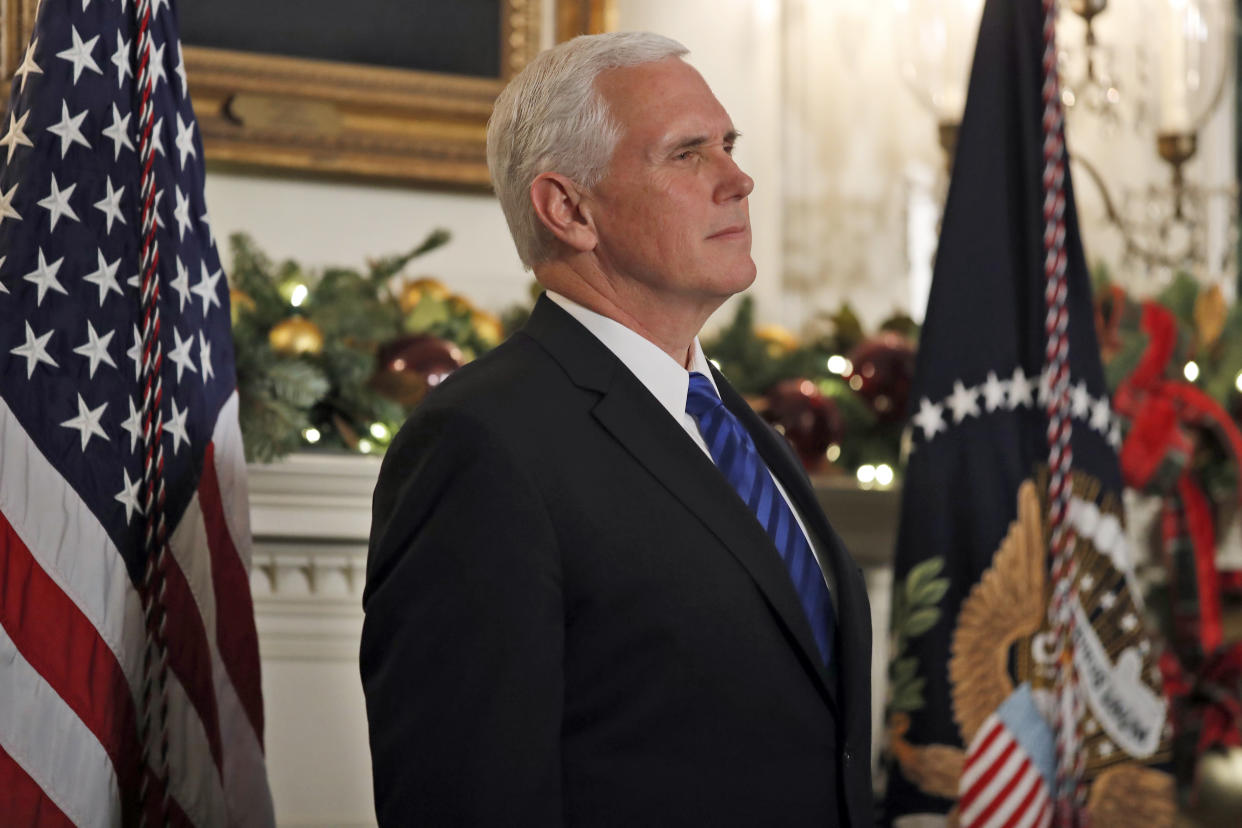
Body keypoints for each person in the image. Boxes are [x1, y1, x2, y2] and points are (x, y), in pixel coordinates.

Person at [361, 31, 873, 827]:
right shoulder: (482, 444)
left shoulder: (730, 418)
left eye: (729, 145)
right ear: (569, 209)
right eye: (687, 153)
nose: (738, 179)